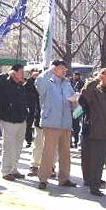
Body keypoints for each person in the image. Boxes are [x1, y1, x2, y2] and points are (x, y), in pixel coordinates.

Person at [79, 68, 106, 197]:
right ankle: (94, 186)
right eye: (105, 76)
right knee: (97, 161)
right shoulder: (95, 92)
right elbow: (84, 95)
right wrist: (96, 79)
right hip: (98, 132)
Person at [35, 60, 77, 190]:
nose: (65, 71)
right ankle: (43, 179)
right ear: (54, 69)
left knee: (65, 152)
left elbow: (72, 100)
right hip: (51, 122)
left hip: (65, 123)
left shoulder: (67, 84)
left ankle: (64, 178)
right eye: (61, 69)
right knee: (48, 152)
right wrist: (50, 70)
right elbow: (38, 82)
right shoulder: (47, 82)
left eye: (65, 69)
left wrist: (74, 101)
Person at [0, 64, 28, 181]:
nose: (23, 75)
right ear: (14, 72)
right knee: (8, 146)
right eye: (21, 72)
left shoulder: (22, 84)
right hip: (8, 119)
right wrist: (8, 74)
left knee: (18, 146)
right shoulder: (4, 82)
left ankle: (14, 169)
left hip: (21, 118)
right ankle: (6, 170)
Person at [24, 68, 40, 148]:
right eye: (34, 74)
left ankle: (37, 140)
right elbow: (25, 93)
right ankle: (28, 140)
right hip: (30, 105)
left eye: (37, 74)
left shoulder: (41, 82)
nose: (36, 75)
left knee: (38, 124)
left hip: (39, 105)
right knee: (28, 124)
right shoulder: (28, 82)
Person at [70, 72, 85, 148]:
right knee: (73, 124)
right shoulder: (70, 82)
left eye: (77, 75)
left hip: (79, 106)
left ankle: (76, 141)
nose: (76, 76)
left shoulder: (81, 83)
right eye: (75, 75)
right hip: (72, 106)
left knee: (76, 125)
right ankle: (73, 141)